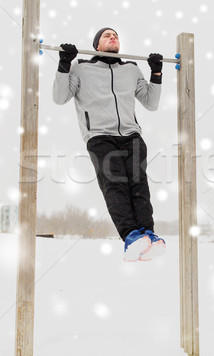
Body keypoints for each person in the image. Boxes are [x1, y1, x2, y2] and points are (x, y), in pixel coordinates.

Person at [52, 27, 166, 262]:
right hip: (100, 136)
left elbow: (151, 103)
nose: (113, 37)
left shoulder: (131, 69)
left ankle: (148, 234)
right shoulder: (82, 67)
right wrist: (64, 63)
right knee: (116, 186)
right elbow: (60, 97)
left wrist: (156, 73)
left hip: (131, 135)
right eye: (107, 35)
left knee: (139, 187)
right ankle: (131, 237)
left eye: (115, 35)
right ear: (97, 45)